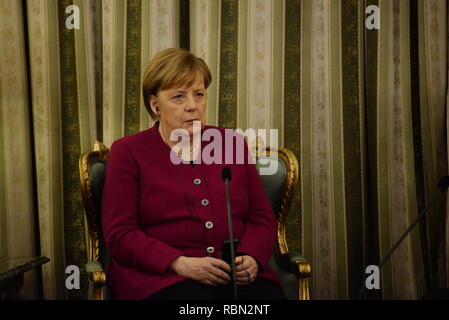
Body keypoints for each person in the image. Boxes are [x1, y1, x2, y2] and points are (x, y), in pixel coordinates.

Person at [101, 48, 285, 300]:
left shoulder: (230, 143)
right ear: (155, 104)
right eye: (178, 97)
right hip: (162, 279)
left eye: (198, 94)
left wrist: (252, 257)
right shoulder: (128, 151)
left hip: (237, 278)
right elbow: (120, 234)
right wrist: (179, 263)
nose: (192, 106)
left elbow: (261, 217)